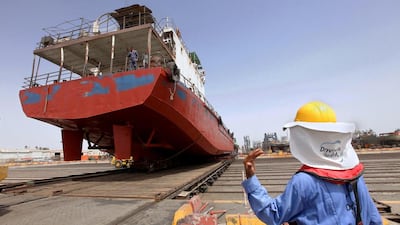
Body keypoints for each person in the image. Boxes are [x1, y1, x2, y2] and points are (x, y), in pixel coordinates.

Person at [242, 101, 382, 225]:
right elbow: (373, 217)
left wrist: (251, 178)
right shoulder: (355, 173)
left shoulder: (304, 182)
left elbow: (273, 214)